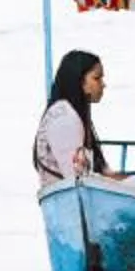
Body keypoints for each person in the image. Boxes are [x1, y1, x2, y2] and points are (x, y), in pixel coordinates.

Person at [35, 49, 108, 189]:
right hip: (68, 198)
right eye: (97, 78)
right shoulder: (64, 119)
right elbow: (78, 179)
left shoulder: (73, 112)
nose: (103, 84)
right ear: (79, 81)